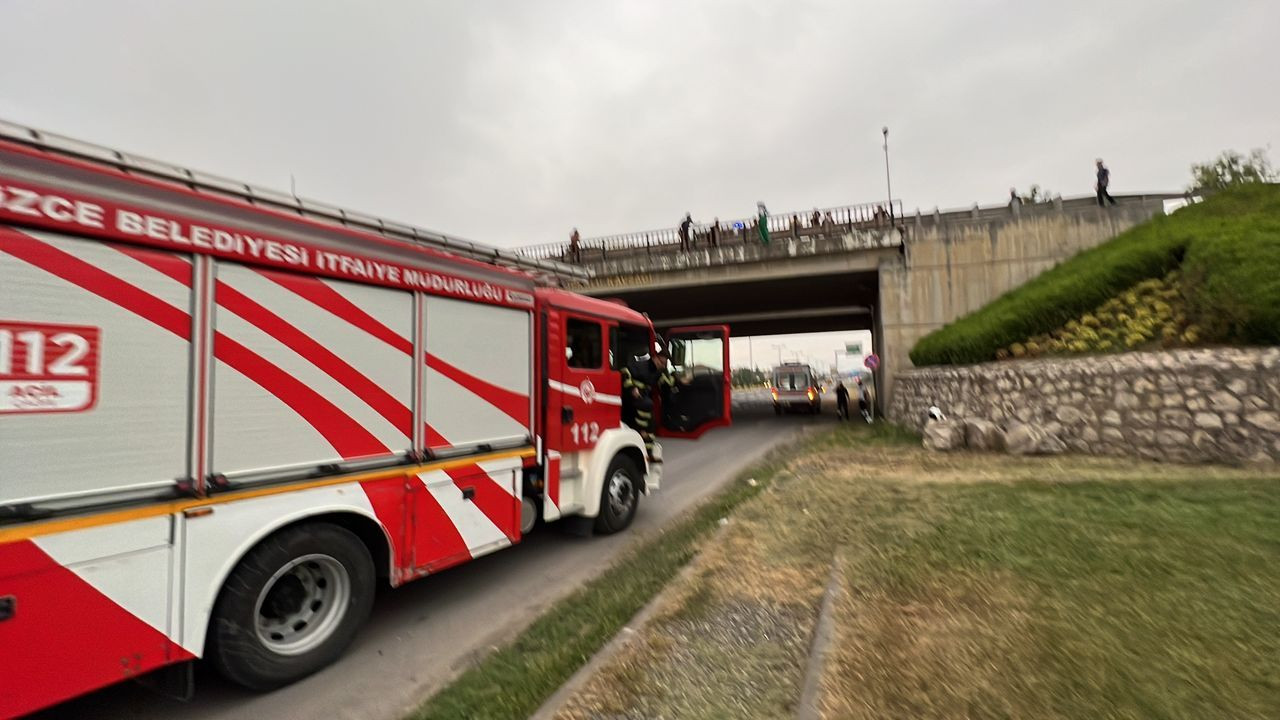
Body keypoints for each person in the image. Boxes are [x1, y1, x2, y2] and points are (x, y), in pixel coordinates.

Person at [621, 345, 678, 458]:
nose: (661, 365)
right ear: (655, 358)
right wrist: (632, 389)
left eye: (664, 364)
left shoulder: (659, 372)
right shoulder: (641, 366)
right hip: (631, 398)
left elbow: (667, 383)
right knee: (647, 406)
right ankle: (641, 431)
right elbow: (624, 372)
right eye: (661, 362)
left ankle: (648, 452)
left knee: (651, 424)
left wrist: (675, 377)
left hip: (644, 397)